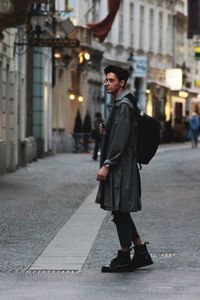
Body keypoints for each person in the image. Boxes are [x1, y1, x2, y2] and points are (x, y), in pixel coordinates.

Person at [96, 65, 153, 273]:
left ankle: (124, 255)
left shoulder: (124, 105)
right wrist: (106, 128)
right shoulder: (120, 104)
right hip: (121, 165)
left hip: (121, 167)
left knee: (120, 210)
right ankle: (139, 251)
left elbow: (120, 140)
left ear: (121, 82)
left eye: (111, 80)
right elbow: (118, 132)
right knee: (120, 210)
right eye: (106, 80)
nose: (107, 83)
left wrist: (107, 165)